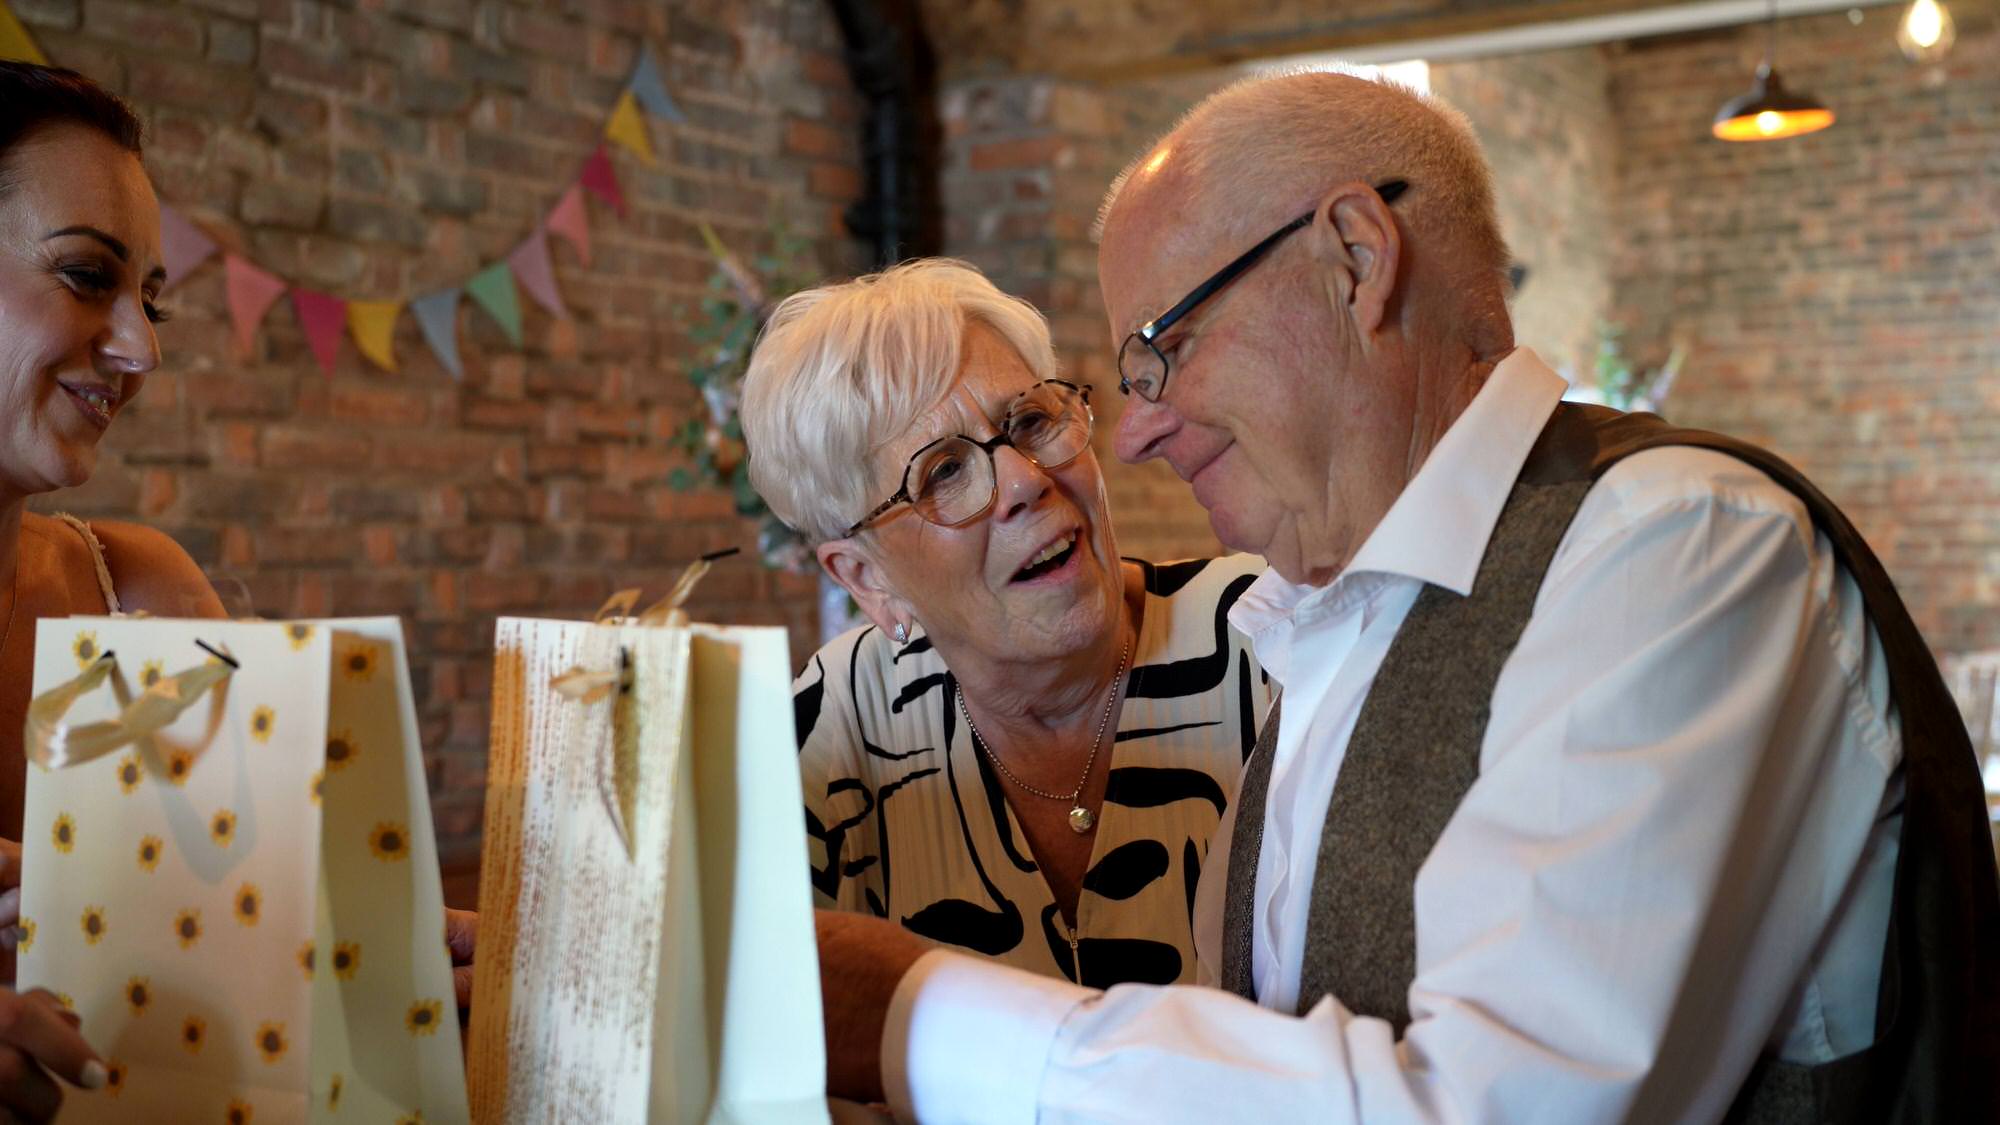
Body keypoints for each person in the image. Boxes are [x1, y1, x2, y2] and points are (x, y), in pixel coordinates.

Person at [812, 72, 1998, 1122]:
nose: (1135, 434)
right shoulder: (1326, 625)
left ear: (1354, 257)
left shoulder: (1674, 545)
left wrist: (907, 1012)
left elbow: (1490, 1106)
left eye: (1161, 350)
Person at [743, 259, 1272, 986]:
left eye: (1029, 422)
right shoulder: (833, 733)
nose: (1025, 480)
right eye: (943, 472)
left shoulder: (1276, 643)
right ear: (868, 579)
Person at [0, 58, 230, 1119]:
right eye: (89, 275)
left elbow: (253, 922)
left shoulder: (142, 594)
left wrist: (381, 940)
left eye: (151, 302)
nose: (140, 350)